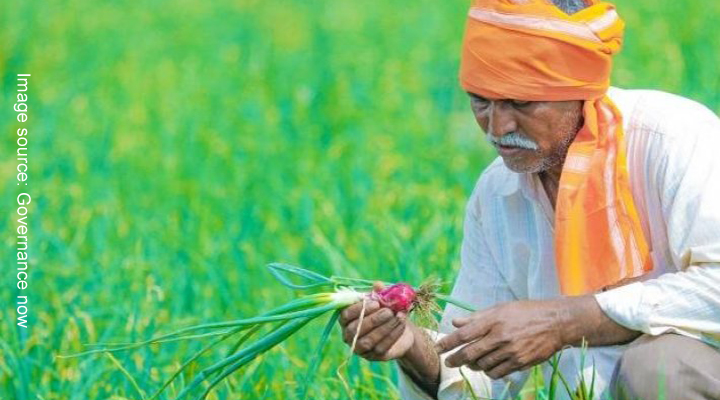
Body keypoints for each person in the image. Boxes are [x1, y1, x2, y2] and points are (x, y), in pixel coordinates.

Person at [337, 0, 720, 399]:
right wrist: (410, 346)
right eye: (480, 101)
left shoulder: (675, 141)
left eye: (521, 102)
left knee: (659, 367)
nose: (497, 127)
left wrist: (565, 322)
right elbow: (478, 374)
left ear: (580, 92)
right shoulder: (498, 194)